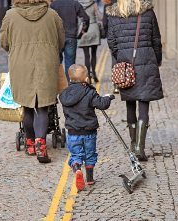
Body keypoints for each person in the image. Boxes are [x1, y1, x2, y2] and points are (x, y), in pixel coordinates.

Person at [0, 0, 65, 163]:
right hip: (46, 63)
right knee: (43, 107)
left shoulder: (10, 16)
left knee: (26, 105)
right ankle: (41, 145)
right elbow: (61, 41)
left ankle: (29, 142)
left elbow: (4, 42)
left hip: (20, 64)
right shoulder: (52, 15)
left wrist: (17, 49)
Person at [106, 0, 163, 161]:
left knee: (130, 103)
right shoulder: (148, 12)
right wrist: (156, 59)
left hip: (126, 64)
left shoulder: (113, 14)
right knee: (144, 103)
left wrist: (121, 59)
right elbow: (156, 39)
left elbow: (112, 43)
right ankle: (140, 147)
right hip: (146, 61)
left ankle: (133, 144)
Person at [59, 64, 112, 191]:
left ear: (69, 78)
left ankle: (77, 168)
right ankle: (89, 179)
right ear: (86, 79)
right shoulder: (90, 92)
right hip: (89, 132)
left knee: (76, 155)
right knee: (90, 154)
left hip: (73, 133)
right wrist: (108, 98)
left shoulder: (65, 94)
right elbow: (101, 104)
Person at [51, 0, 90, 81]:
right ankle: (69, 86)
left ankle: (58, 85)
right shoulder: (75, 3)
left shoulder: (54, 5)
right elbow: (86, 18)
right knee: (70, 64)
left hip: (57, 37)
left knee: (57, 64)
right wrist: (83, 31)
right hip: (71, 36)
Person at [77, 0, 103, 83]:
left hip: (84, 30)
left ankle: (88, 76)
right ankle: (94, 73)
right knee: (94, 54)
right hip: (94, 29)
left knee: (86, 56)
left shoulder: (79, 4)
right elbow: (99, 17)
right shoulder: (93, 3)